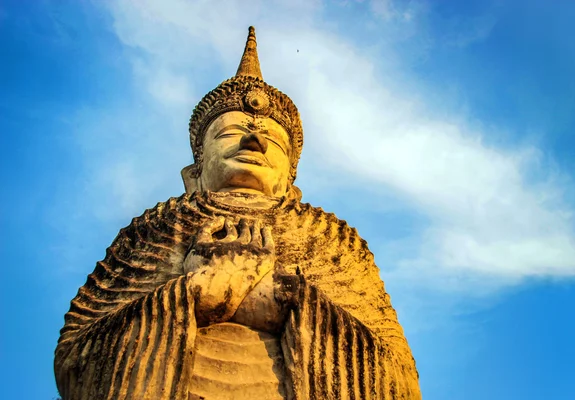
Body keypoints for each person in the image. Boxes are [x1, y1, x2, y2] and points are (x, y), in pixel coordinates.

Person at [55, 26, 421, 400]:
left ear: (289, 183)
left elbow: (398, 379)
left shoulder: (329, 238)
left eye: (273, 141)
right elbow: (76, 359)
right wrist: (195, 293)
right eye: (230, 132)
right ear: (194, 174)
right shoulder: (156, 228)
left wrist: (278, 297)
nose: (255, 140)